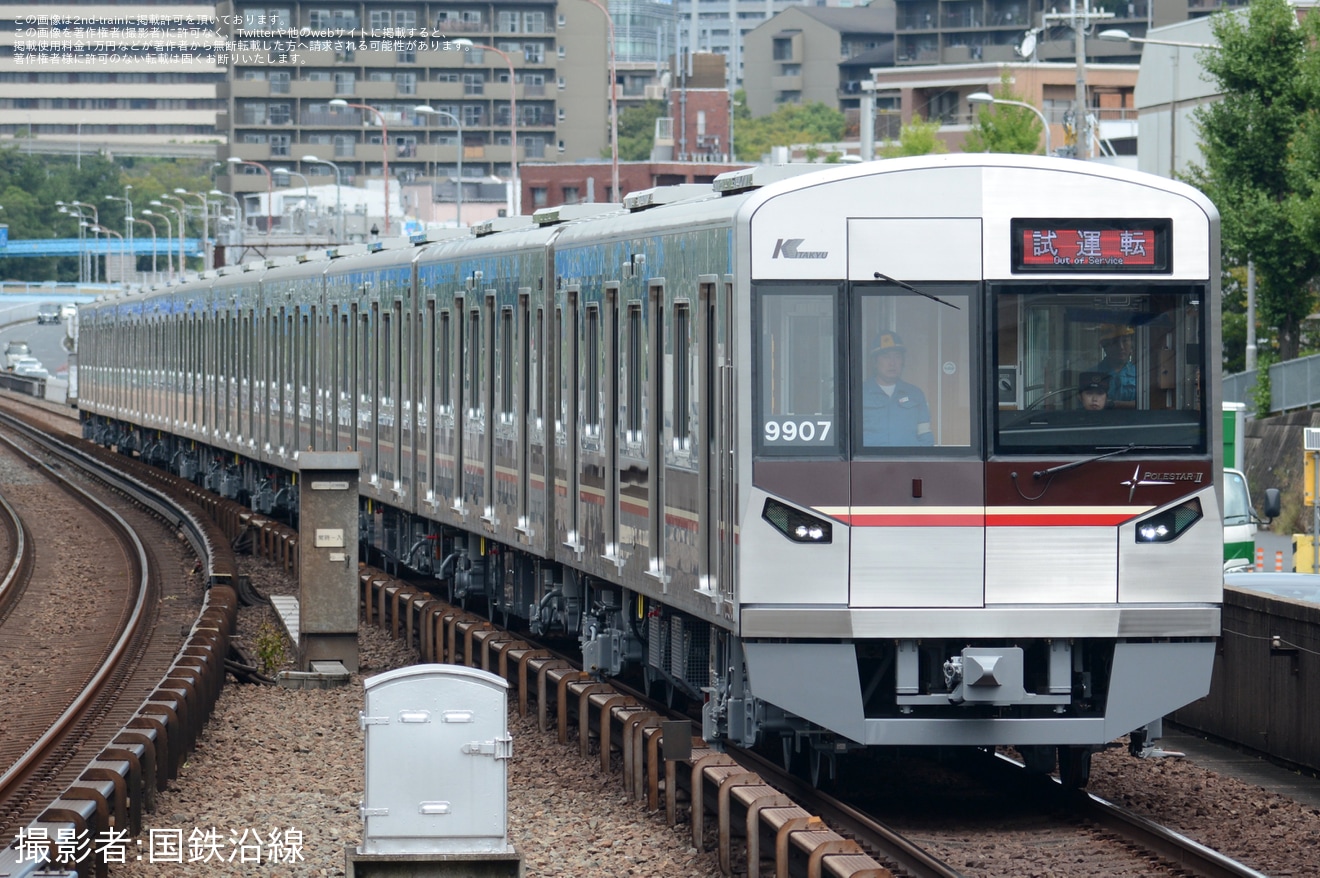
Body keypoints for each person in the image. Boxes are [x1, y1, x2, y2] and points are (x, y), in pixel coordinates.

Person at [861, 331, 934, 446]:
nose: (892, 363)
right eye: (886, 357)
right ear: (875, 362)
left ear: (902, 362)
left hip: (907, 462)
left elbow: (925, 436)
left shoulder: (915, 394)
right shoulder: (859, 394)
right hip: (871, 462)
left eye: (897, 357)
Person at [1094, 328, 1136, 405]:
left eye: (1125, 341)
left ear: (1132, 345)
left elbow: (1148, 404)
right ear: (1105, 346)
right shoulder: (1092, 374)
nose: (1121, 347)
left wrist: (1112, 404)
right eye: (1115, 342)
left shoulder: (1141, 375)